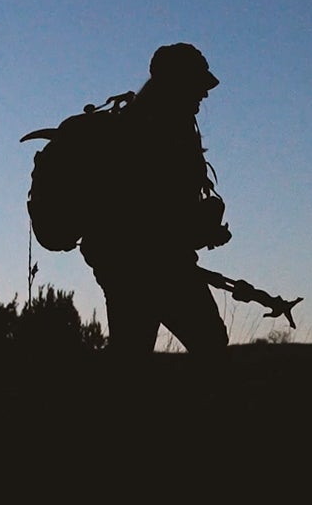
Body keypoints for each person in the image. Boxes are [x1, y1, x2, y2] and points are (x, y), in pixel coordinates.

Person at [80, 43, 233, 357]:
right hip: (155, 269)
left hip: (128, 268)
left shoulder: (147, 126)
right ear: (176, 84)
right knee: (211, 348)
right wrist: (201, 229)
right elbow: (152, 217)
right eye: (197, 85)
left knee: (131, 361)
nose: (203, 94)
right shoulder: (155, 133)